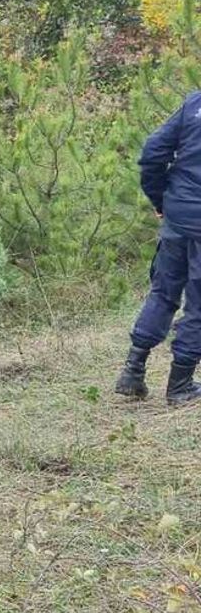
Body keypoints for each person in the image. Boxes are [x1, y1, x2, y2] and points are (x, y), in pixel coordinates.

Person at [114, 91, 201, 406]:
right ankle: (180, 386)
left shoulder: (194, 104)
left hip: (178, 216)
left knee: (163, 292)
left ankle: (132, 371)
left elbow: (152, 152)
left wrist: (161, 200)